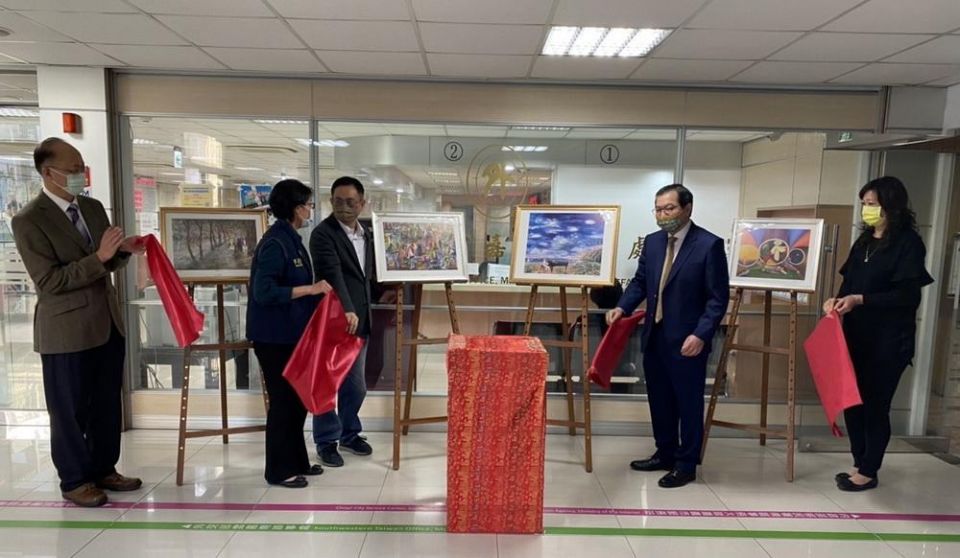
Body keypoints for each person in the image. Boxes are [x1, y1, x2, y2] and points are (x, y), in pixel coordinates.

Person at [11, 137, 145, 507]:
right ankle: (74, 480)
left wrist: (121, 252)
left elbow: (104, 262)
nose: (79, 176)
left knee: (106, 402)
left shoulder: (92, 207)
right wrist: (100, 256)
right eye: (72, 170)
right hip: (65, 330)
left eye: (82, 168)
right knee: (68, 410)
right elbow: (50, 281)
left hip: (106, 323)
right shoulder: (28, 220)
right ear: (47, 173)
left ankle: (104, 468)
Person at [607, 184, 729, 489]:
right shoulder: (653, 242)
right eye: (658, 209)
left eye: (669, 209)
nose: (663, 215)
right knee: (659, 399)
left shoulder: (708, 245)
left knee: (688, 403)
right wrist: (622, 307)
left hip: (688, 340)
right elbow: (640, 282)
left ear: (687, 208)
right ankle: (665, 453)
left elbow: (717, 299)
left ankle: (686, 464)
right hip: (655, 335)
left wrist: (701, 334)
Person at [823, 176, 934, 492]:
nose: (866, 210)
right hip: (854, 336)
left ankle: (869, 470)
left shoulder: (908, 244)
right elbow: (848, 283)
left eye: (871, 204)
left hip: (888, 340)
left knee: (875, 404)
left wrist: (861, 300)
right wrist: (836, 301)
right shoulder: (864, 242)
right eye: (864, 204)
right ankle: (859, 462)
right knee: (852, 402)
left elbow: (907, 296)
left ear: (890, 205)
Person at [247, 179, 331, 488]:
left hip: (293, 335)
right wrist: (311, 289)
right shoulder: (275, 243)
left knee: (297, 401)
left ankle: (297, 461)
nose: (310, 210)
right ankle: (279, 470)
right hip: (274, 337)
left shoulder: (292, 239)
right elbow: (264, 291)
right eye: (308, 205)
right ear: (296, 209)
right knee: (283, 403)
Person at [309, 176, 377, 467]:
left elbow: (366, 275)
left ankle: (349, 433)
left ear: (362, 203)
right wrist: (347, 308)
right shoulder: (323, 234)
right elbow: (332, 273)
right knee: (327, 384)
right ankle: (326, 441)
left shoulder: (368, 234)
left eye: (350, 202)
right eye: (338, 201)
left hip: (360, 321)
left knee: (356, 386)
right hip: (334, 319)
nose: (344, 207)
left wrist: (383, 293)